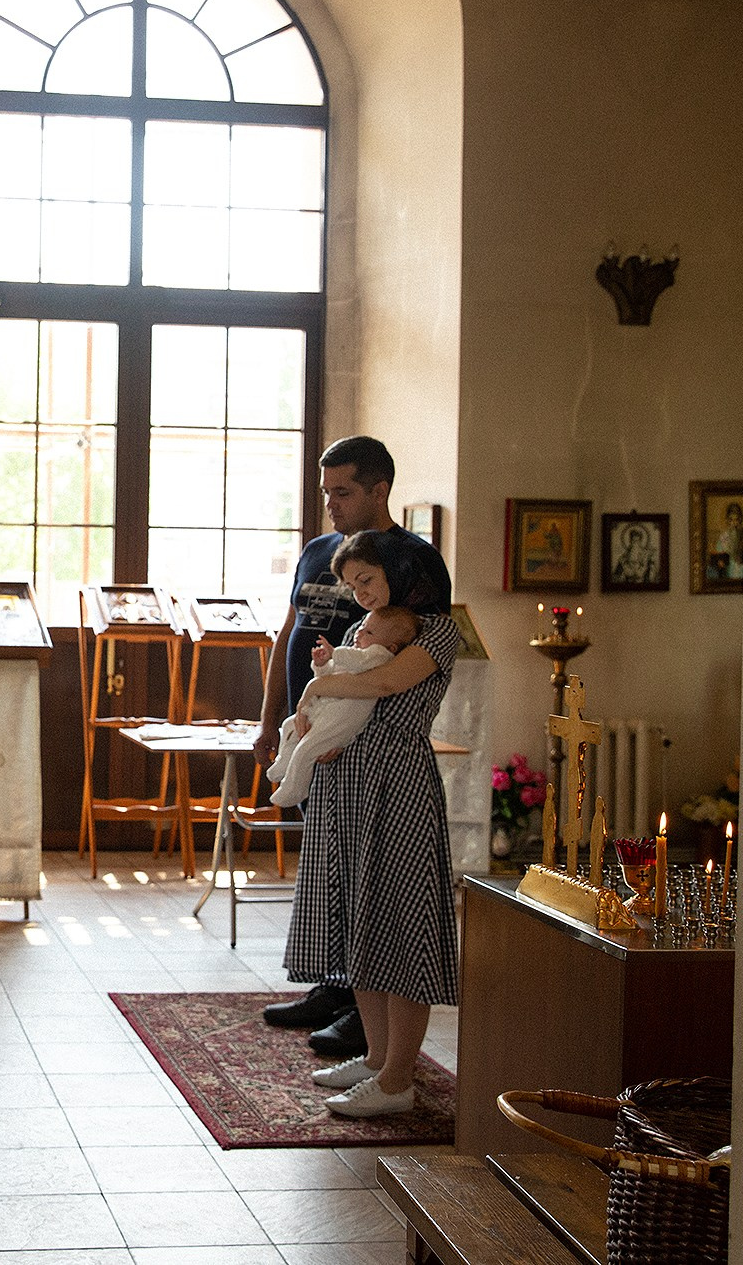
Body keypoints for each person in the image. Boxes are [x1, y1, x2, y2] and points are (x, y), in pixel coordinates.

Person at [254, 436, 450, 1058]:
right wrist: (272, 718)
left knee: (376, 890)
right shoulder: (318, 552)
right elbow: (291, 633)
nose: (332, 505)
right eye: (326, 492)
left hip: (362, 746)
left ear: (378, 490)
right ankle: (332, 986)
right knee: (334, 878)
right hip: (313, 726)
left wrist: (333, 713)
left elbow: (396, 665)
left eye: (343, 492)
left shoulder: (410, 562)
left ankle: (368, 1030)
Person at [288, 528, 458, 1116]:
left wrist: (317, 687)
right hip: (347, 782)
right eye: (351, 584)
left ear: (402, 571)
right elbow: (347, 699)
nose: (359, 594)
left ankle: (398, 1081)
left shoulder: (433, 629)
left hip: (397, 782)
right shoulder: (367, 627)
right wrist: (315, 717)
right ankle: (376, 1059)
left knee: (399, 923)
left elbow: (383, 683)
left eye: (367, 579)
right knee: (359, 919)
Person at [265, 606, 418, 809]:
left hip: (344, 716)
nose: (360, 632)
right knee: (289, 725)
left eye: (369, 632)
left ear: (392, 647)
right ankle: (284, 762)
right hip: (327, 709)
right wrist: (320, 665)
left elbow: (359, 662)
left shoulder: (379, 656)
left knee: (307, 748)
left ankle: (295, 789)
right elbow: (327, 677)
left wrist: (334, 653)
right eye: (362, 627)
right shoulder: (354, 652)